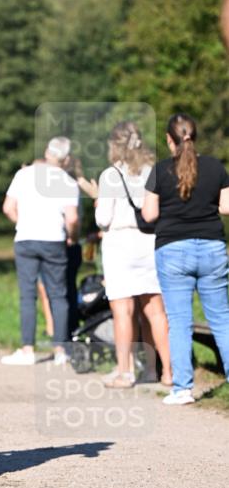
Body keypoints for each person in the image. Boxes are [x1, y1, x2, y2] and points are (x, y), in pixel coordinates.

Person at [142, 114, 229, 405]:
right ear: (195, 136)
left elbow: (149, 214)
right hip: (212, 248)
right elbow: (226, 207)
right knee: (222, 319)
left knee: (179, 321)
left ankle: (182, 389)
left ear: (170, 140)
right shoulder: (215, 166)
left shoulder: (159, 170)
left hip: (172, 250)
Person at [94, 122, 172, 388]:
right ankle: (164, 371)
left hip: (120, 245)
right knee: (155, 310)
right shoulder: (153, 171)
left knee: (123, 311)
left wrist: (97, 202)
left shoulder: (110, 175)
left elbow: (103, 219)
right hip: (150, 242)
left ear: (114, 145)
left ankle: (125, 373)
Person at [1, 137, 79, 366]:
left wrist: (23, 223)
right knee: (58, 295)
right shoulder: (67, 181)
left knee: (28, 295)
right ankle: (60, 350)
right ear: (66, 159)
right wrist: (72, 236)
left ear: (47, 152)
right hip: (54, 240)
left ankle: (27, 350)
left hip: (25, 239)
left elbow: (8, 208)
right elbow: (72, 218)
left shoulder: (23, 174)